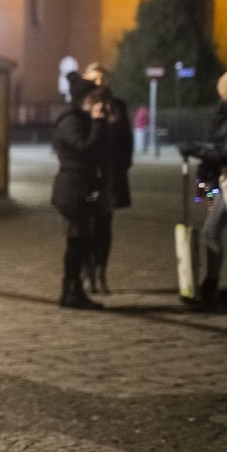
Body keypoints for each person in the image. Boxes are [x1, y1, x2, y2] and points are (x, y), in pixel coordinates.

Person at [52, 76, 108, 310]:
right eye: (94, 98)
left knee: (81, 241)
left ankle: (73, 291)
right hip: (71, 188)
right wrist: (96, 123)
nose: (98, 102)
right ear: (82, 99)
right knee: (76, 241)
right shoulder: (69, 121)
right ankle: (70, 292)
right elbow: (83, 147)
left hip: (81, 186)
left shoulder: (80, 119)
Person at [82, 64, 132, 294]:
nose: (99, 83)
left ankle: (101, 272)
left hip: (111, 177)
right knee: (87, 228)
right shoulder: (83, 105)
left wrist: (122, 167)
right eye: (95, 79)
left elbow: (126, 140)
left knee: (105, 228)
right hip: (88, 177)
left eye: (103, 78)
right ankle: (87, 273)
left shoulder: (117, 106)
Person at [181, 72, 227, 310]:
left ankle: (211, 286)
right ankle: (211, 286)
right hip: (221, 181)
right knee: (212, 230)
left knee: (211, 231)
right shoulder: (222, 114)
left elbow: (223, 151)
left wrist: (196, 150)